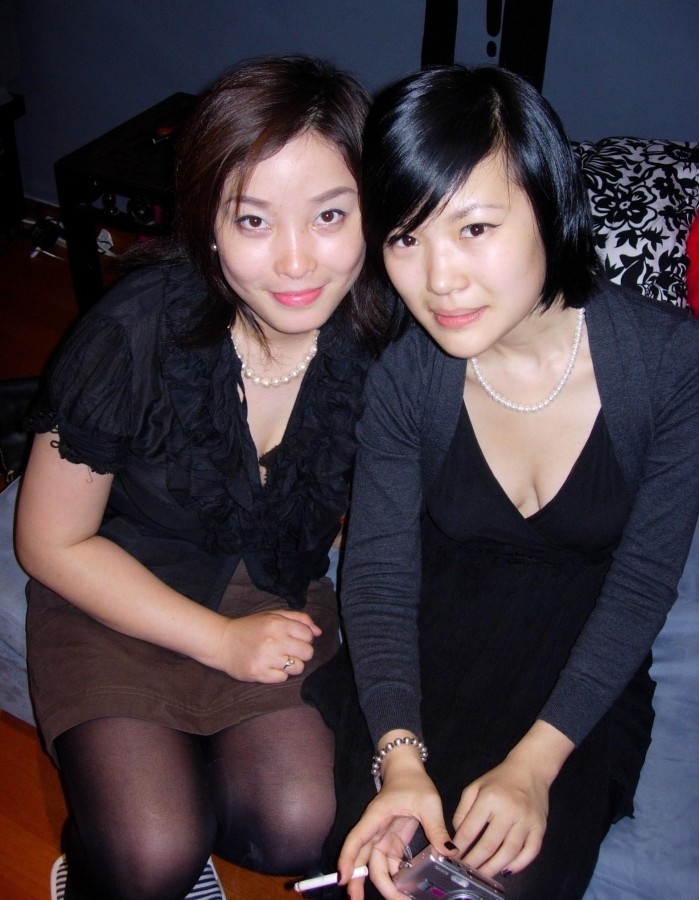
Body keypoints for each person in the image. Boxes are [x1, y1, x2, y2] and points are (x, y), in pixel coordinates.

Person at [303, 65, 699, 899]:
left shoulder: (668, 366)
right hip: (429, 646)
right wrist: (398, 757)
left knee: (503, 881)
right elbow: (375, 574)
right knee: (381, 869)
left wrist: (535, 765)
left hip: (577, 669)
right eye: (405, 238)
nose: (438, 279)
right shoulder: (407, 375)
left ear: (549, 208)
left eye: (475, 228)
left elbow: (641, 585)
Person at [16, 55, 384, 900]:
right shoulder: (132, 334)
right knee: (150, 855)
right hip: (114, 594)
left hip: (273, 594)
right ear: (208, 223)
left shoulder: (381, 336)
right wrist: (218, 642)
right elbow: (47, 542)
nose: (296, 262)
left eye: (330, 214)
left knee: (302, 823)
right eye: (253, 220)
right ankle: (112, 844)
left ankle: (166, 805)